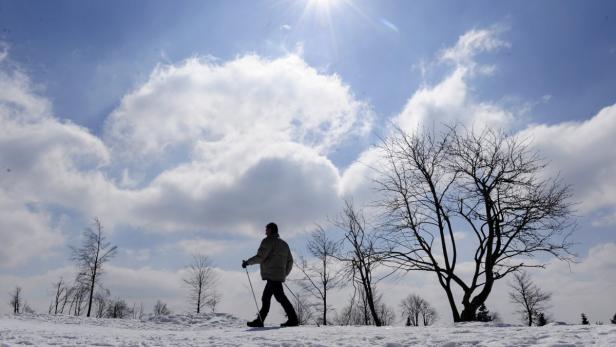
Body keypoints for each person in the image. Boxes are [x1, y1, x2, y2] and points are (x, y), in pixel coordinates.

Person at [242, 222, 298, 327]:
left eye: (266, 229)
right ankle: (260, 320)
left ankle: (293, 319)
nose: (265, 232)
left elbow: (260, 257)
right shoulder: (284, 244)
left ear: (271, 230)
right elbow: (290, 261)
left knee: (280, 297)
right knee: (266, 297)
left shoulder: (268, 241)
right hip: (277, 275)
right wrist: (283, 273)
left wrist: (247, 263)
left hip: (271, 275)